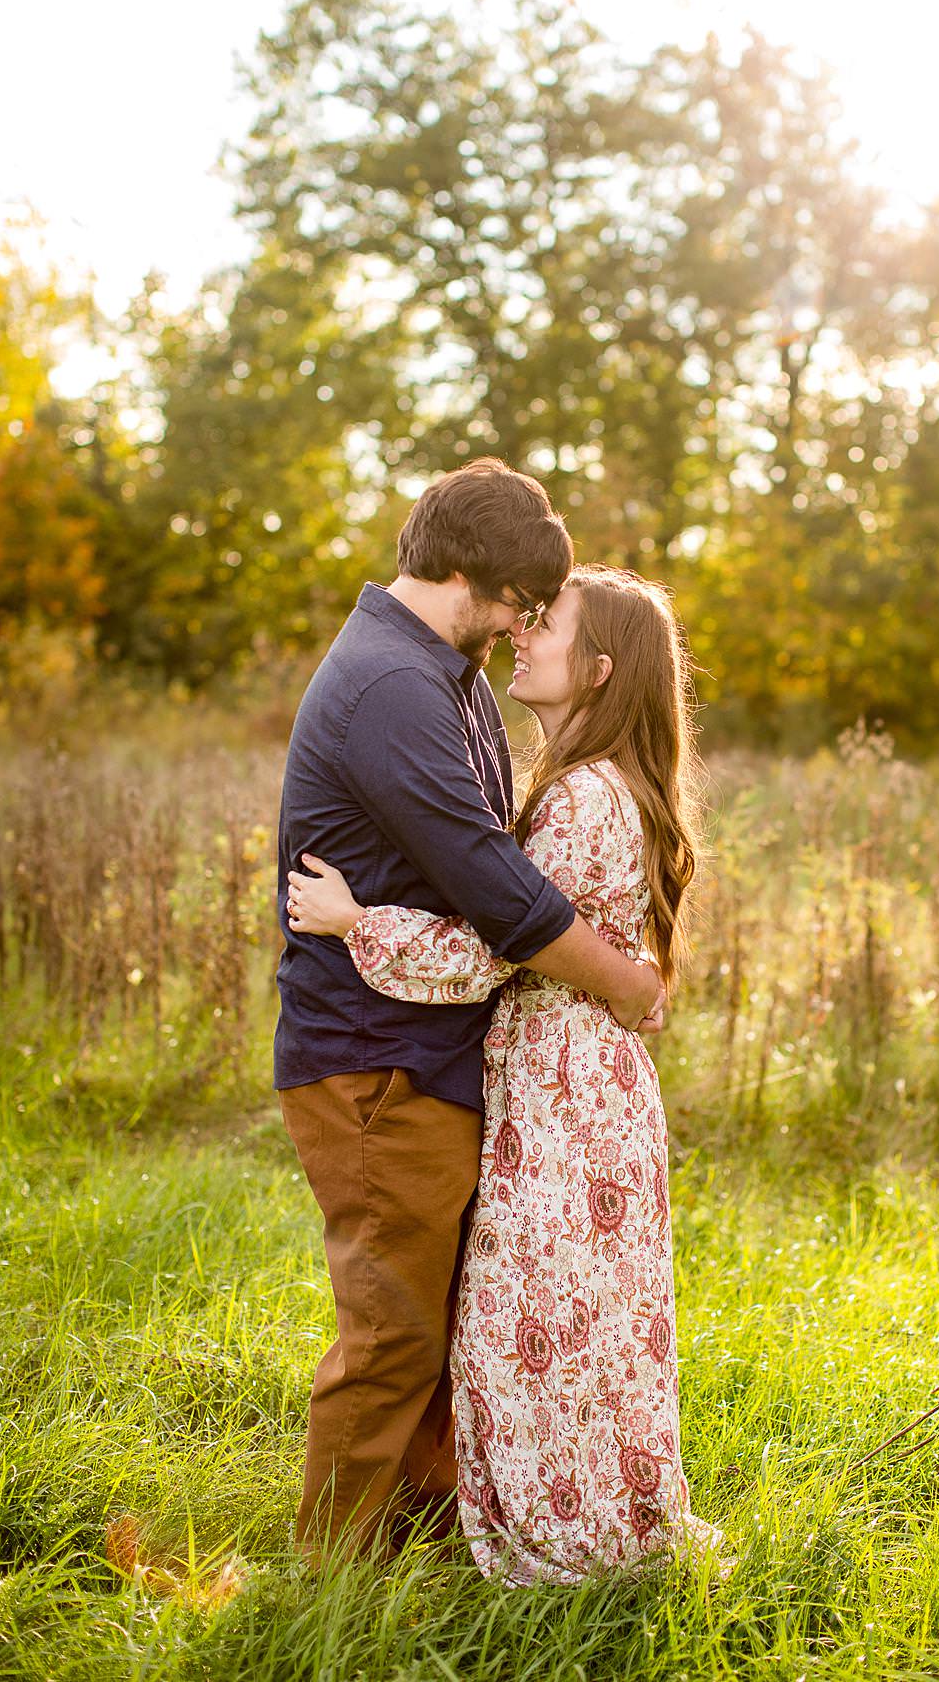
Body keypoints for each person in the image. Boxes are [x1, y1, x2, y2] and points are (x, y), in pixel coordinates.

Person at [287, 564, 722, 1585]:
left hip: (562, 1096)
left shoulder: (578, 799)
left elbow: (496, 947)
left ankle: (565, 1535)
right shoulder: (604, 786)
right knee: (586, 1324)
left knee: (531, 1327)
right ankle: (592, 1510)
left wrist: (361, 923)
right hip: (586, 1086)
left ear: (601, 670)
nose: (526, 633)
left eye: (550, 624)